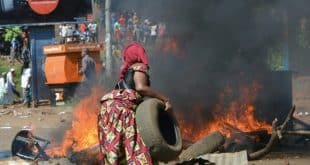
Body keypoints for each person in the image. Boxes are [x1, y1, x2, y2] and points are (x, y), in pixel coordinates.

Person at [98, 43, 172, 164]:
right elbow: (141, 87)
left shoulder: (127, 71)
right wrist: (165, 99)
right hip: (123, 111)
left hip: (107, 110)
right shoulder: (140, 66)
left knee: (114, 151)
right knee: (136, 151)